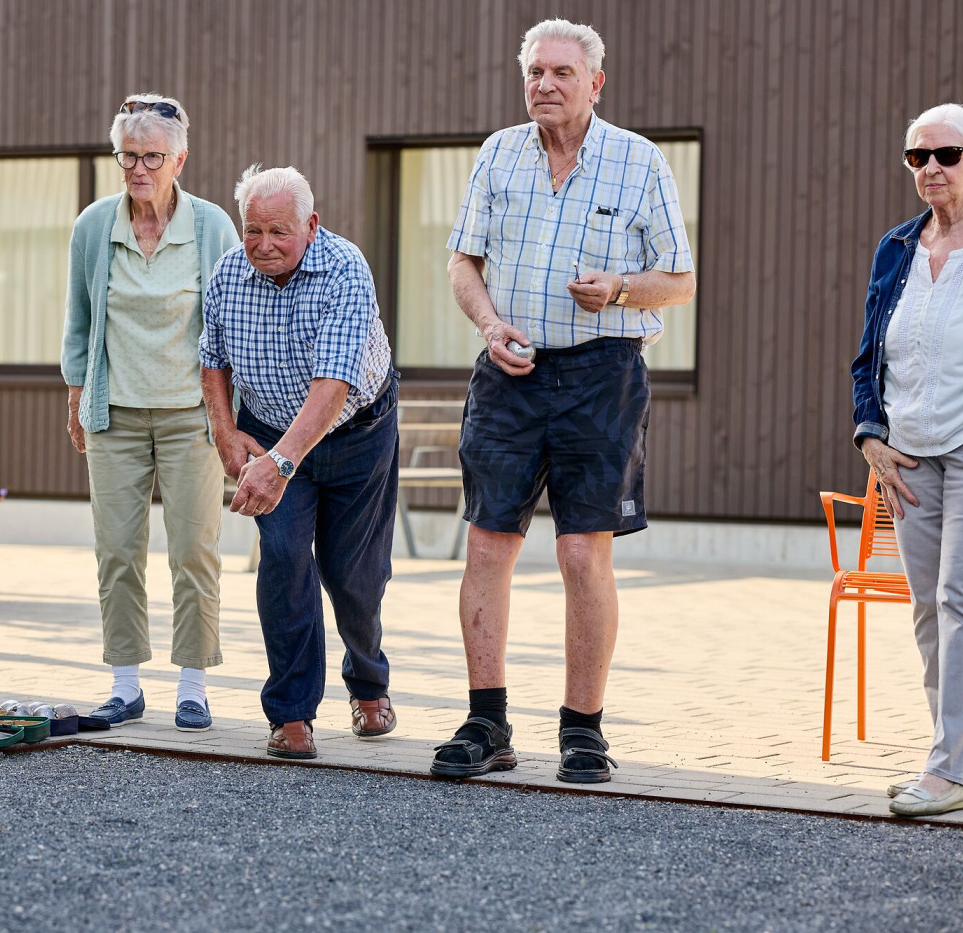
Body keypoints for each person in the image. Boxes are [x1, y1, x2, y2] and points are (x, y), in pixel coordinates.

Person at [432, 18, 695, 782]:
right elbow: (462, 261)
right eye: (536, 72)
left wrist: (617, 289)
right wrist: (488, 325)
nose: (545, 85)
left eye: (561, 74)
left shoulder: (638, 163)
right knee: (488, 543)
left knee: (583, 551)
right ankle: (487, 722)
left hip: (601, 375)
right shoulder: (498, 154)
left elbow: (679, 282)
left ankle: (584, 730)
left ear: (595, 83)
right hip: (508, 372)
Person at [199, 164, 399, 760]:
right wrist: (225, 431)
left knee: (352, 575)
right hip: (267, 429)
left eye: (279, 231)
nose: (263, 245)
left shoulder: (345, 268)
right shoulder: (229, 273)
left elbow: (333, 386)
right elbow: (213, 358)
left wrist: (280, 464)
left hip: (354, 430)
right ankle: (290, 714)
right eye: (252, 230)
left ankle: (369, 685)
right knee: (284, 560)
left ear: (312, 225)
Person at [62, 94, 240, 732]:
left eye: (152, 157)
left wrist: (228, 418)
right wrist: (79, 393)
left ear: (180, 159)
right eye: (128, 157)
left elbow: (227, 324)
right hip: (115, 415)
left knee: (194, 550)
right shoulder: (94, 227)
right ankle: (126, 683)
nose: (139, 169)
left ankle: (192, 685)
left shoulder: (213, 227)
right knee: (117, 550)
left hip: (192, 416)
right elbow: (81, 323)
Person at [851, 103, 963, 818]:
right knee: (925, 609)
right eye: (919, 157)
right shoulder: (896, 248)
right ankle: (961, 762)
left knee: (961, 597)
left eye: (948, 154)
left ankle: (943, 769)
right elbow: (868, 355)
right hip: (906, 451)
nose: (933, 168)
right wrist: (869, 434)